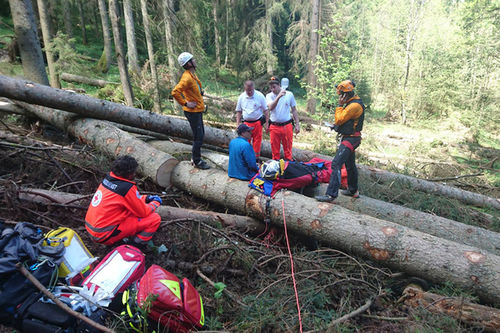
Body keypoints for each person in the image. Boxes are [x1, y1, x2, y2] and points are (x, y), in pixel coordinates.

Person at [85, 156, 162, 245]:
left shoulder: (109, 179)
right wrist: (156, 203)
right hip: (104, 234)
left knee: (131, 212)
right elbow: (143, 212)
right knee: (155, 219)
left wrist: (145, 198)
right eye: (134, 172)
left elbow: (125, 201)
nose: (135, 174)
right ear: (129, 174)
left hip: (93, 228)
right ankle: (135, 245)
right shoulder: (126, 188)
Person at [316, 80, 365, 202]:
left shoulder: (354, 105)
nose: (339, 97)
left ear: (345, 94)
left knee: (336, 164)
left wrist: (339, 105)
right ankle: (353, 190)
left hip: (351, 139)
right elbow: (344, 121)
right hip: (350, 137)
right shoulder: (351, 103)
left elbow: (339, 119)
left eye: (340, 94)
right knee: (350, 164)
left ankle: (331, 195)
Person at [171, 52, 210, 169]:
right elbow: (175, 92)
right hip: (192, 112)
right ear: (189, 63)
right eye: (193, 59)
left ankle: (195, 158)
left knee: (200, 135)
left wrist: (199, 92)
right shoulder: (187, 78)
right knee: (199, 136)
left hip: (197, 110)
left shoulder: (192, 75)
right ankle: (196, 161)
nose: (195, 61)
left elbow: (194, 88)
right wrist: (186, 103)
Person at [266, 76, 300, 160]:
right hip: (274, 126)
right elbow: (270, 107)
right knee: (275, 151)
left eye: (274, 87)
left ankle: (289, 167)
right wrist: (278, 97)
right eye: (271, 88)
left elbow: (294, 110)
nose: (272, 89)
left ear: (279, 85)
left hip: (287, 125)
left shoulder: (289, 94)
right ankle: (276, 169)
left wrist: (297, 124)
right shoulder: (269, 96)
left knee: (288, 150)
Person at [235, 80, 269, 161]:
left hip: (257, 122)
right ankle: (245, 158)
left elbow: (266, 111)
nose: (249, 92)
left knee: (257, 141)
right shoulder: (241, 97)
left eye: (251, 90)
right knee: (245, 142)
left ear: (253, 88)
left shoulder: (260, 96)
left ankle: (255, 159)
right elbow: (239, 111)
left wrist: (267, 123)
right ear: (245, 88)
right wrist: (237, 124)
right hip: (246, 123)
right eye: (247, 90)